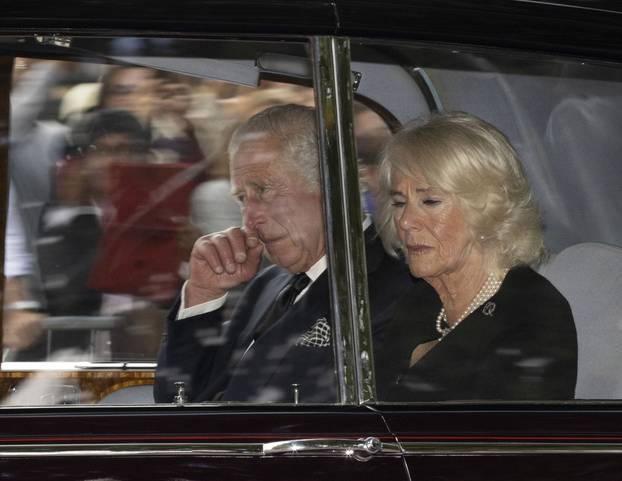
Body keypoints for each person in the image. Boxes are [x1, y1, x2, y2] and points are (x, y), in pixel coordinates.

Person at [154, 104, 411, 403]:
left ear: (331, 186)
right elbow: (177, 401)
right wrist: (202, 294)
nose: (249, 219)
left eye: (263, 191)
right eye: (241, 198)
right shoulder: (266, 286)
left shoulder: (394, 288)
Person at [374, 111, 577, 401]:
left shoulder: (534, 315)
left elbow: (503, 441)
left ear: (487, 210)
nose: (405, 221)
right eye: (399, 202)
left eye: (429, 201)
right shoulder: (419, 301)